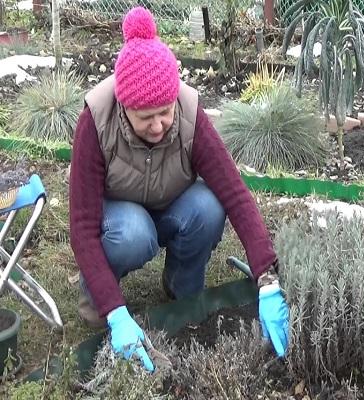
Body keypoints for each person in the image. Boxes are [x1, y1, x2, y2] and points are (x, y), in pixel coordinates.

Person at [68, 6, 289, 372]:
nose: (158, 126)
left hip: (171, 205)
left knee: (209, 205)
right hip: (122, 218)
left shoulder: (189, 112)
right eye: (145, 118)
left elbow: (235, 192)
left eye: (164, 112)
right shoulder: (96, 121)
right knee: (133, 233)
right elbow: (82, 227)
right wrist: (117, 314)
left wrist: (266, 278)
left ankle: (181, 288)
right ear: (125, 107)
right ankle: (99, 296)